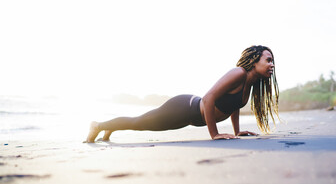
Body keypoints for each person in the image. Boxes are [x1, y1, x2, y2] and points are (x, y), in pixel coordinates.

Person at [85, 45, 279, 142]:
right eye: (268, 60)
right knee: (140, 123)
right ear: (254, 61)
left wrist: (237, 131)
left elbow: (234, 105)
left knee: (141, 124)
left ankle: (111, 127)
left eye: (273, 62)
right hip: (184, 108)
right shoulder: (239, 73)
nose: (271, 65)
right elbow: (209, 97)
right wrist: (215, 134)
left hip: (191, 117)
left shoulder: (250, 84)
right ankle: (98, 125)